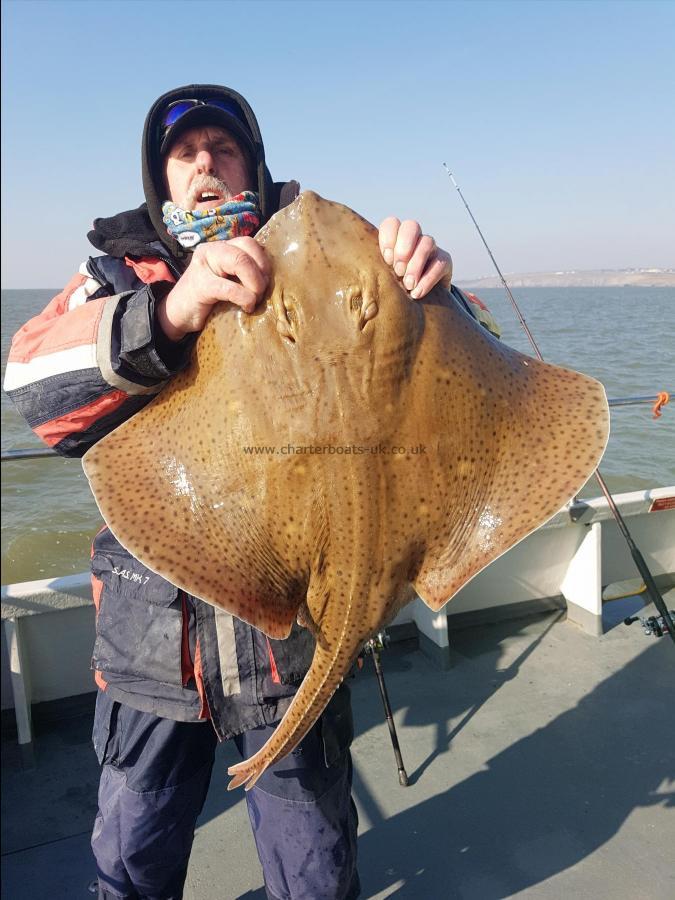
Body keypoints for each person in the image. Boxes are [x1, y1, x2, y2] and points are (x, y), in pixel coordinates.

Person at [3, 84, 495, 900]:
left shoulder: (348, 253)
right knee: (129, 868)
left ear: (252, 167)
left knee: (315, 878)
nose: (205, 164)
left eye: (223, 149)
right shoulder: (116, 273)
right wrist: (171, 311)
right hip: (150, 651)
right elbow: (33, 393)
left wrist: (432, 290)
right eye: (185, 153)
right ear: (160, 179)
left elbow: (483, 370)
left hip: (289, 652)